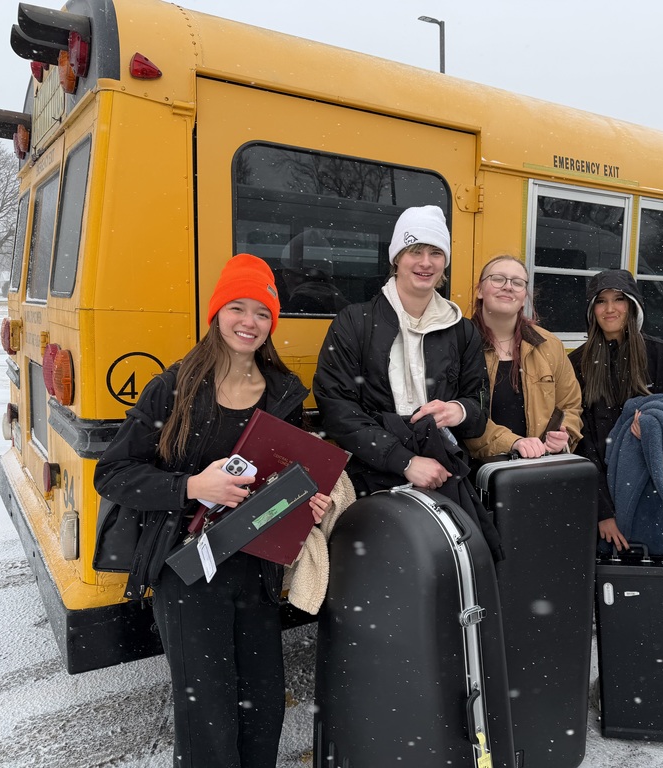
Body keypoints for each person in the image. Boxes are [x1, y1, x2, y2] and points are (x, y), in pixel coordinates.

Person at [94, 253, 336, 768]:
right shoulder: (174, 388)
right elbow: (112, 474)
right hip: (188, 569)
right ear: (216, 313)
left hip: (258, 570)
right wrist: (192, 485)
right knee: (208, 713)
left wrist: (308, 501)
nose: (249, 323)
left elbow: (286, 478)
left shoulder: (283, 393)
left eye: (262, 313)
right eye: (237, 308)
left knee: (263, 707)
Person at [313, 205, 489, 496]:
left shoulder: (463, 330)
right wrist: (403, 460)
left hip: (443, 471)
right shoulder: (355, 322)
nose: (426, 262)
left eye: (436, 253)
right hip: (370, 476)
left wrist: (458, 411)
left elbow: (480, 408)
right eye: (415, 251)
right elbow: (336, 408)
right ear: (397, 258)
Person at [569, 269, 663, 554]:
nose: (610, 309)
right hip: (602, 497)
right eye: (601, 301)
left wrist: (657, 427)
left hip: (654, 495)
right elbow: (580, 441)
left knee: (651, 584)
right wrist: (602, 511)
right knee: (604, 585)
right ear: (592, 310)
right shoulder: (576, 363)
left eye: (619, 299)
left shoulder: (662, 356)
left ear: (633, 305)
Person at [464, 254, 583, 459]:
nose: (508, 286)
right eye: (498, 279)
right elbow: (459, 416)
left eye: (517, 283)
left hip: (537, 472)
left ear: (524, 297)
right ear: (480, 290)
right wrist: (514, 443)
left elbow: (570, 406)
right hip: (473, 473)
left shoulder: (549, 346)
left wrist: (564, 434)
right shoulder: (460, 344)